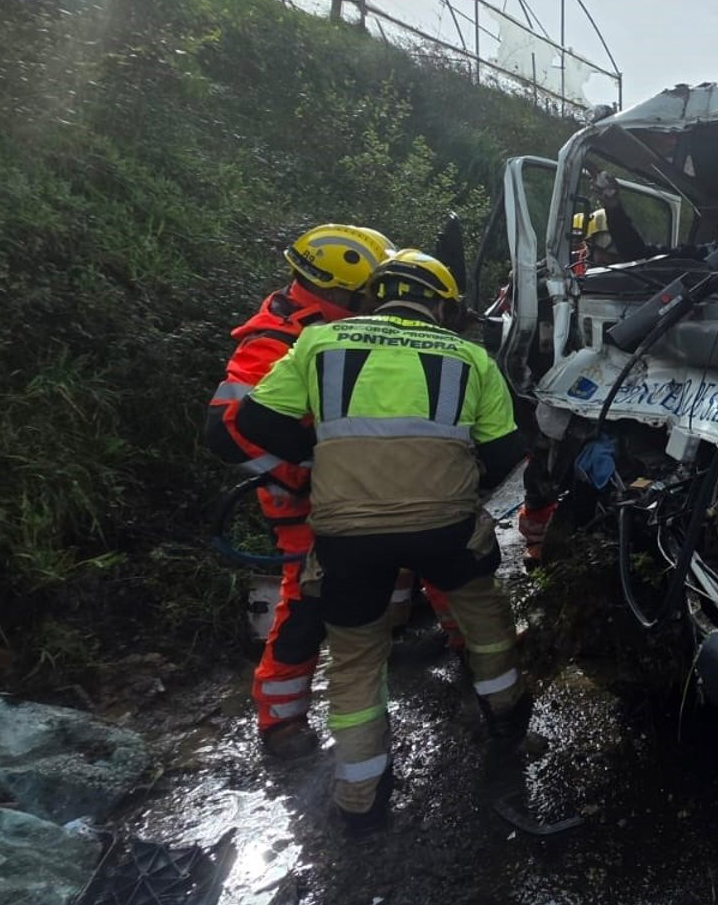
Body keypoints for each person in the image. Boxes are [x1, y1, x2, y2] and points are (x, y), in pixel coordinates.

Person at [234, 250, 530, 833]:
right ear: (442, 305)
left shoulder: (320, 345)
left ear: (375, 295)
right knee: (484, 618)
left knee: (357, 657)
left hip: (347, 535)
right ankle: (504, 717)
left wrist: (321, 461)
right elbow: (504, 454)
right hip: (446, 528)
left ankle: (361, 797)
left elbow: (253, 423)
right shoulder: (470, 357)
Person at [204, 223, 391, 761]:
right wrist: (306, 469)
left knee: (402, 561)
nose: (374, 303)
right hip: (308, 501)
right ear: (340, 289)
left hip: (351, 488)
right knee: (306, 605)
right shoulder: (276, 341)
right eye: (369, 292)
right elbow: (227, 431)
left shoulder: (327, 326)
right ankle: (281, 722)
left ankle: (405, 635)